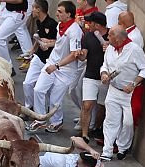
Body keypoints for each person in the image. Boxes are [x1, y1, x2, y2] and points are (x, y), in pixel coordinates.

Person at [26, 1, 82, 133]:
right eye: (57, 10)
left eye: (60, 11)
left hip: (66, 70)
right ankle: (40, 119)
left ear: (68, 14)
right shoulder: (60, 26)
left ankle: (57, 122)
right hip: (51, 63)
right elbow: (59, 44)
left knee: (54, 99)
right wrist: (49, 43)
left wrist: (56, 66)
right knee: (38, 90)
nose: (57, 13)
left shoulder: (75, 31)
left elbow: (74, 54)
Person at [98, 25, 145, 161]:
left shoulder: (135, 50)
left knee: (128, 122)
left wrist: (133, 84)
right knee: (110, 121)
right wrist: (104, 74)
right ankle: (107, 150)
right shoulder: (110, 48)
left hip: (130, 94)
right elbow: (105, 65)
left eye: (110, 35)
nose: (107, 38)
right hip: (113, 90)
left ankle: (123, 147)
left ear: (118, 38)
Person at [74, 11, 108, 144]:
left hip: (106, 78)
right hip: (91, 76)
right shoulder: (88, 36)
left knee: (103, 107)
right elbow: (84, 56)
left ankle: (97, 128)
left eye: (91, 22)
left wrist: (109, 46)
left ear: (97, 25)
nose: (88, 24)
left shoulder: (112, 34)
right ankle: (84, 134)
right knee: (87, 105)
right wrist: (80, 54)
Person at [67, 0, 99, 124]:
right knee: (73, 89)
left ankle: (88, 120)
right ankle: (84, 115)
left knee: (81, 90)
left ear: (86, 2)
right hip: (79, 54)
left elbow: (92, 35)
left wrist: (81, 27)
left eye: (80, 0)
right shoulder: (80, 13)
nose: (77, 1)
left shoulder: (94, 15)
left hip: (86, 57)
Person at [22, 0, 57, 110]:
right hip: (38, 57)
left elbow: (59, 42)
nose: (31, 10)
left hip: (49, 60)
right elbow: (39, 38)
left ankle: (46, 109)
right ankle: (29, 107)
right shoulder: (38, 22)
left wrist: (49, 43)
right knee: (27, 83)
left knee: (46, 89)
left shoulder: (52, 25)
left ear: (39, 10)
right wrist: (31, 51)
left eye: (33, 7)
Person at [0, 0, 33, 76]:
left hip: (17, 13)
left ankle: (8, 67)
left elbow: (19, 0)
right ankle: (28, 58)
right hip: (8, 11)